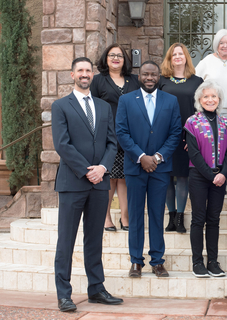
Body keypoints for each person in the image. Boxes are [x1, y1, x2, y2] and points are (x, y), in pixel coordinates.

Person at [52, 57, 123, 312]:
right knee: (66, 240)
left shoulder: (104, 107)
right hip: (73, 183)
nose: (84, 74)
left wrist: (103, 168)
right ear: (72, 74)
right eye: (80, 70)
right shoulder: (61, 106)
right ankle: (64, 294)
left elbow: (112, 143)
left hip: (100, 184)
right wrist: (86, 171)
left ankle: (96, 289)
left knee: (94, 239)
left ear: (93, 74)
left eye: (88, 71)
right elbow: (62, 144)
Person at [116, 61, 182, 279]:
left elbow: (175, 133)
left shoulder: (170, 101)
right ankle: (136, 261)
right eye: (145, 74)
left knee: (156, 215)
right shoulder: (126, 100)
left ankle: (157, 261)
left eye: (153, 74)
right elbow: (122, 132)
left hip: (160, 169)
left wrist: (157, 157)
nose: (149, 77)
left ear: (159, 77)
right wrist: (141, 156)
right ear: (139, 76)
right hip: (135, 168)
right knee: (135, 216)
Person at [184, 80, 227, 278]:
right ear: (199, 100)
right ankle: (198, 262)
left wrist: (223, 174)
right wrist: (211, 176)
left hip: (220, 177)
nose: (210, 99)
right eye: (206, 96)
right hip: (199, 176)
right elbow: (193, 154)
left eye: (214, 96)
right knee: (198, 219)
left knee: (214, 219)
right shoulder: (192, 122)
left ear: (219, 100)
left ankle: (213, 261)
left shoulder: (226, 123)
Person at [91, 43, 140, 233]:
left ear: (125, 59)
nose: (115, 58)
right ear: (106, 59)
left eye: (119, 55)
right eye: (112, 55)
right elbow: (92, 108)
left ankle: (125, 217)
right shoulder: (98, 80)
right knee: (109, 178)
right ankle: (106, 218)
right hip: (106, 136)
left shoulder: (133, 80)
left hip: (129, 136)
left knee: (125, 177)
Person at [158, 43, 204, 234]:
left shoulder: (197, 81)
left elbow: (200, 111)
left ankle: (180, 218)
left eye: (181, 54)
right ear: (169, 58)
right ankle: (171, 216)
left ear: (186, 57)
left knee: (183, 176)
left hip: (187, 135)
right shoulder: (162, 81)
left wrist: (194, 139)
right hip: (164, 135)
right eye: (174, 54)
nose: (178, 57)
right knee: (167, 176)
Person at [196, 29, 227, 125]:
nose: (225, 46)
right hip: (209, 111)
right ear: (216, 44)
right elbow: (194, 82)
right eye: (221, 43)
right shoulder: (207, 61)